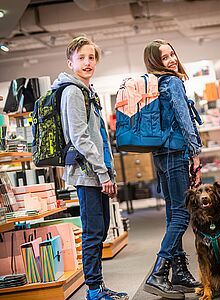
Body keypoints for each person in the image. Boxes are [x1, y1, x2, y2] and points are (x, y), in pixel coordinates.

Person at [57, 36, 128, 300]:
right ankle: (94, 291)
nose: (88, 63)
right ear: (70, 62)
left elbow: (99, 136)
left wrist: (110, 173)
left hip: (98, 173)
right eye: (81, 58)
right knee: (92, 233)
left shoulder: (89, 90)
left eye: (91, 57)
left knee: (99, 233)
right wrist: (101, 173)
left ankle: (99, 286)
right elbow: (80, 138)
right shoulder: (73, 91)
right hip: (87, 175)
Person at [142, 39, 202, 300]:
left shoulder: (155, 84)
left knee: (172, 213)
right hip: (176, 152)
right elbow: (183, 117)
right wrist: (195, 152)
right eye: (164, 57)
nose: (171, 60)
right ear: (156, 62)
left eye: (172, 54)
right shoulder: (173, 82)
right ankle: (157, 273)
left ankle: (178, 272)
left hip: (160, 153)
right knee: (182, 214)